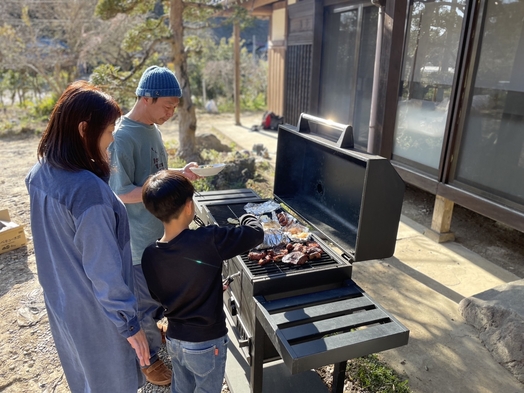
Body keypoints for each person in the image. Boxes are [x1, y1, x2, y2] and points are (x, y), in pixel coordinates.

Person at [25, 80, 150, 392]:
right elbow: (103, 270)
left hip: (63, 302)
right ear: (84, 129)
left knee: (85, 378)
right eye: (108, 131)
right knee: (113, 381)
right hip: (99, 314)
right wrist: (130, 325)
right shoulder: (88, 192)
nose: (111, 140)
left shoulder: (40, 172)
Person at [108, 65, 200, 385]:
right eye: (168, 106)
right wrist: (160, 188)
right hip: (137, 242)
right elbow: (121, 192)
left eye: (175, 107)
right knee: (144, 305)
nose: (171, 113)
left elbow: (155, 174)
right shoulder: (121, 137)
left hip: (158, 232)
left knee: (160, 298)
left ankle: (159, 341)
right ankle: (149, 364)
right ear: (147, 98)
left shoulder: (152, 129)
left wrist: (178, 174)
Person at [140, 170, 264, 393]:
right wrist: (247, 215)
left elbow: (160, 295)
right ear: (189, 206)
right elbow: (255, 234)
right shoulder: (208, 240)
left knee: (182, 388)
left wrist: (212, 287)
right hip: (207, 342)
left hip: (175, 339)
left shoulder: (149, 255)